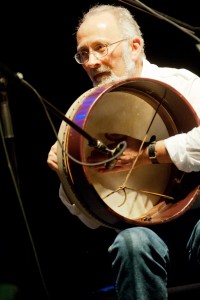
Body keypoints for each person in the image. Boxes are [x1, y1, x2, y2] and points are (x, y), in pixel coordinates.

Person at [47, 4, 200, 299]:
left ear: (134, 46)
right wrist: (67, 177)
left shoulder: (181, 84)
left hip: (196, 217)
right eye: (83, 54)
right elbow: (92, 220)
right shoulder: (85, 115)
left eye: (100, 48)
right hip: (143, 231)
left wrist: (147, 153)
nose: (91, 62)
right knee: (130, 244)